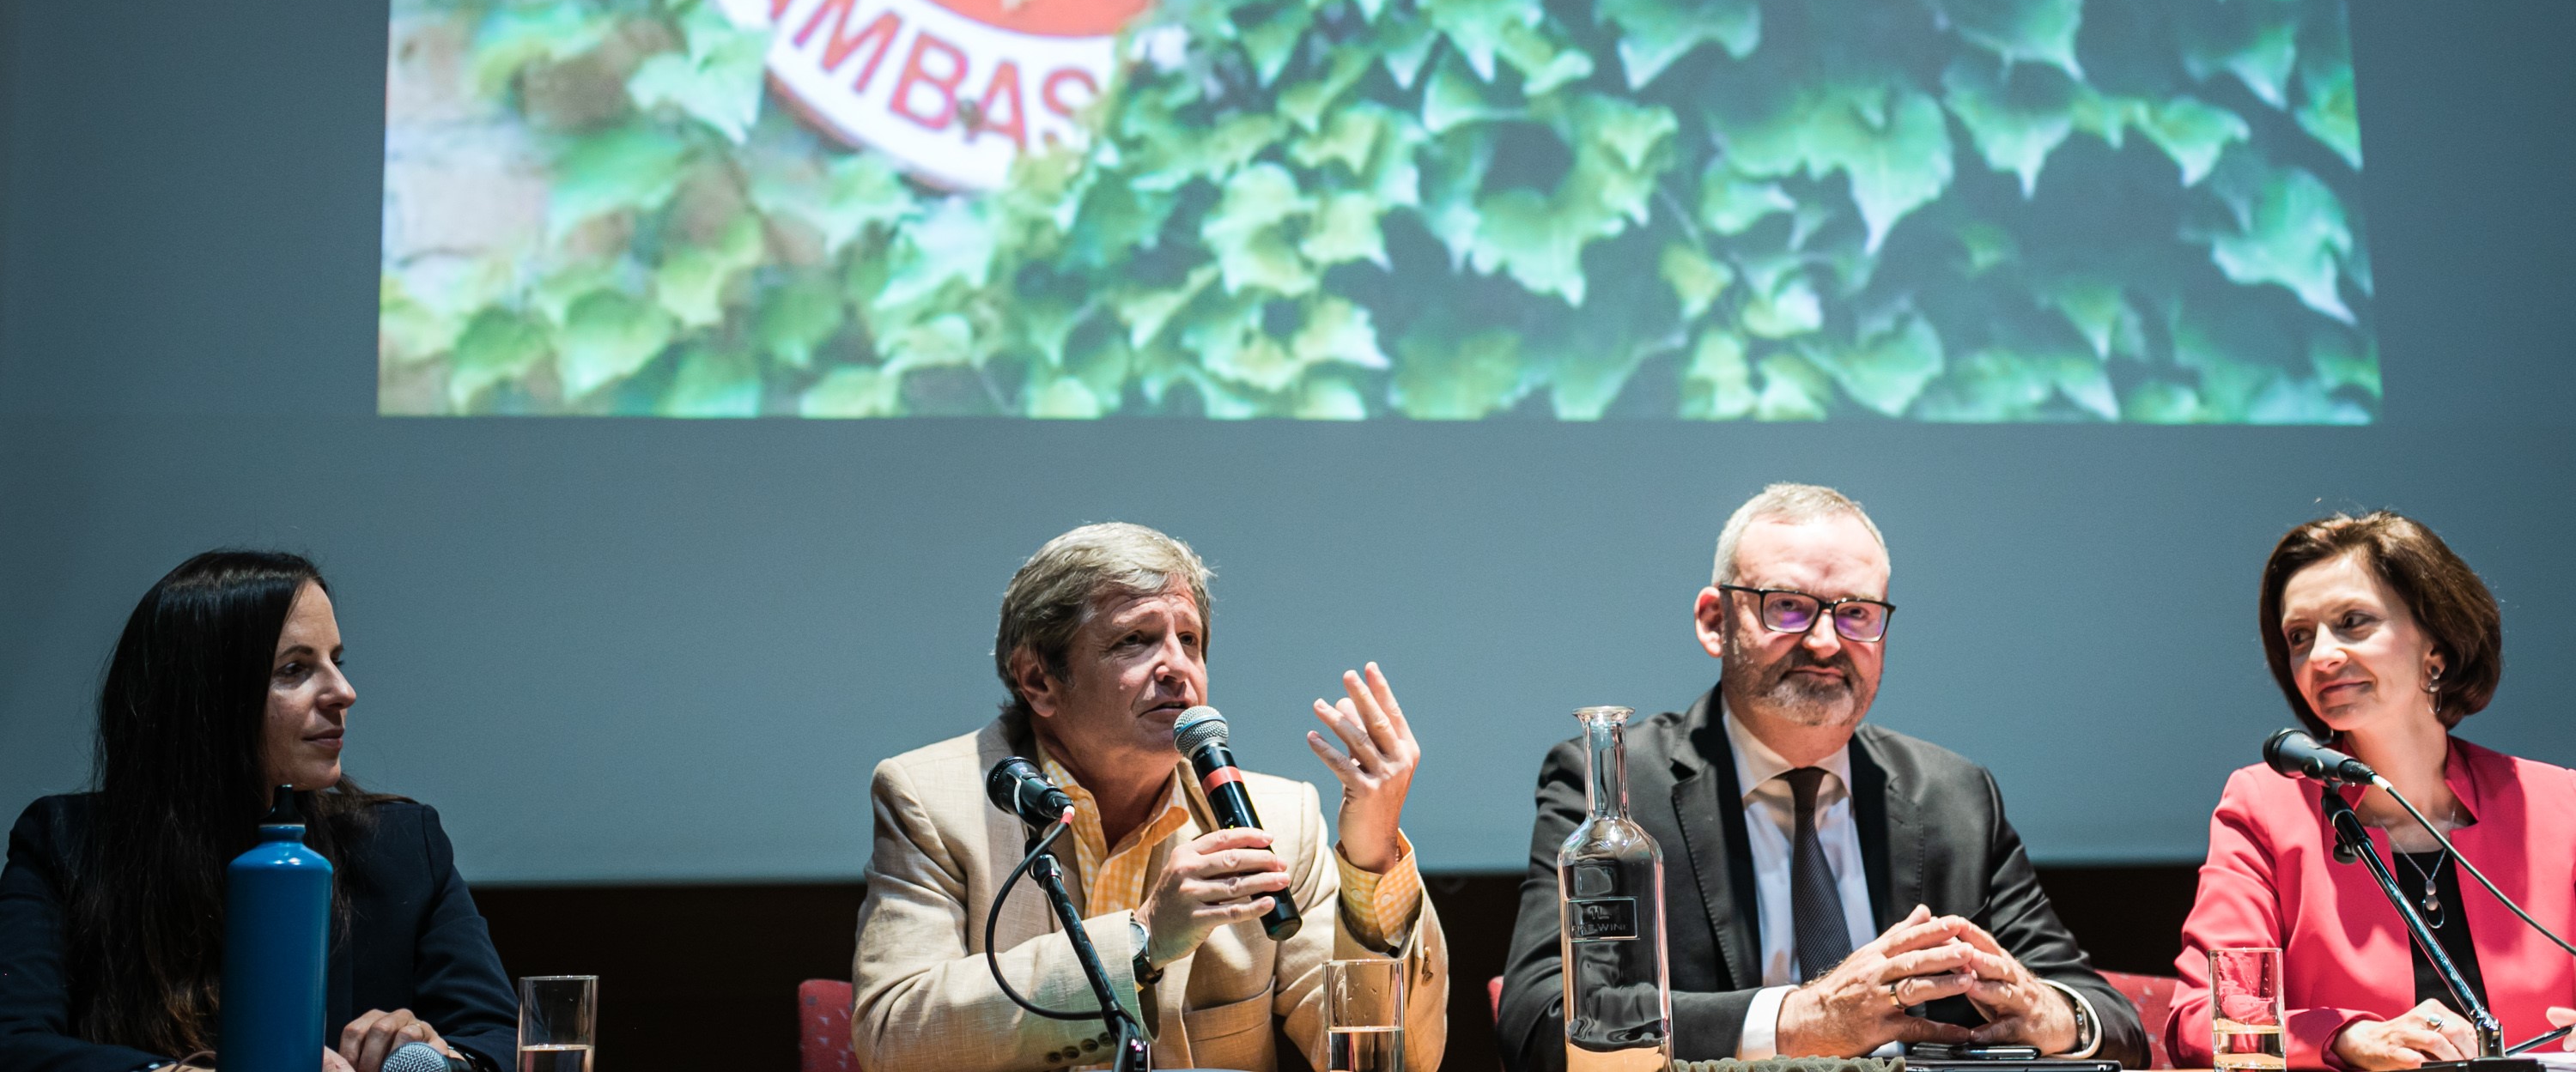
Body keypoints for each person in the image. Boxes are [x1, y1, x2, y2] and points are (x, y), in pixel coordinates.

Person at [1497, 483, 2147, 1071]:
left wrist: (2044, 1013)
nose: (1828, 642)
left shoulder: (1953, 798)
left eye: (1858, 613)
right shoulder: (1617, 789)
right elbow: (1544, 1023)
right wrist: (1799, 1021)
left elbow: (2109, 1020)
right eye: (1787, 607)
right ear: (1714, 622)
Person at [849, 523, 1448, 1072]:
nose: (1177, 667)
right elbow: (894, 1037)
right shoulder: (933, 800)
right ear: (1038, 680)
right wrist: (1141, 939)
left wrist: (1371, 859)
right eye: (1135, 640)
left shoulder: (1277, 823)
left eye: (1189, 639)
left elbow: (1400, 1060)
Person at [0, 551, 519, 1072]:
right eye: (295, 669)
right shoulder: (65, 845)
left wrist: (435, 1055)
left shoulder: (402, 846)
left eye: (336, 661)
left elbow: (495, 1039)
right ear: (204, 698)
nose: (344, 692)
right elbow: (15, 1044)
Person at [2166, 512, 2576, 1069]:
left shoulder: (2559, 805)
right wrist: (2345, 1038)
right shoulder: (2266, 807)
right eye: (2299, 638)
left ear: (2436, 646)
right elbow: (2206, 1024)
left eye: (2353, 622)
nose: (2322, 656)